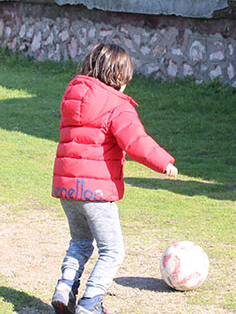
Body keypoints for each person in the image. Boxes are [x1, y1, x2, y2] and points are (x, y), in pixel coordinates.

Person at [50, 43, 179, 314]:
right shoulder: (117, 106)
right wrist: (163, 162)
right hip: (96, 192)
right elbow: (136, 142)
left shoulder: (74, 93)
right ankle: (90, 303)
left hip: (67, 190)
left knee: (80, 243)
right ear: (119, 78)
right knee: (112, 251)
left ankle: (64, 289)